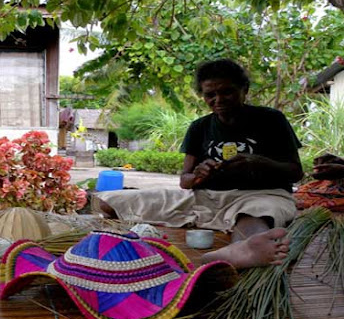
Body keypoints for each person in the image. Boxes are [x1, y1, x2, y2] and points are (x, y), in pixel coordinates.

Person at [95, 59, 302, 269]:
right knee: (110, 202)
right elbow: (185, 182)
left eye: (227, 92)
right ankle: (232, 239)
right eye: (210, 95)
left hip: (260, 196)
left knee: (259, 212)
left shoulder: (272, 120)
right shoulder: (199, 127)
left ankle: (243, 249)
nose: (218, 99)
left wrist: (259, 162)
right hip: (204, 199)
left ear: (244, 89)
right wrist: (197, 176)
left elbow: (295, 172)